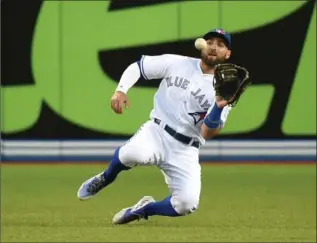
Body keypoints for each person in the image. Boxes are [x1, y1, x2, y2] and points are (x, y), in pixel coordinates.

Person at [77, 28, 233, 225]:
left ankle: (145, 209)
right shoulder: (177, 63)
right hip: (157, 131)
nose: (213, 47)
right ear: (202, 44)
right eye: (210, 42)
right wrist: (120, 91)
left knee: (186, 204)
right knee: (131, 154)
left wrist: (219, 108)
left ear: (227, 54)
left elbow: (207, 132)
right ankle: (105, 178)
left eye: (220, 45)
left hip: (186, 148)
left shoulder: (224, 88)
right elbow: (138, 67)